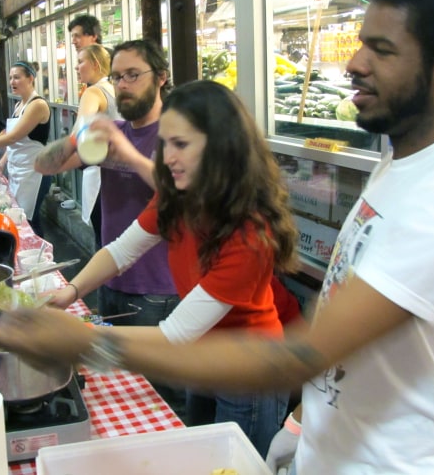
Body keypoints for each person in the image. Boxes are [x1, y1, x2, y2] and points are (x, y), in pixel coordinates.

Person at [0, 0, 434, 473]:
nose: (354, 63)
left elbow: (296, 354)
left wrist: (83, 343)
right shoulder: (400, 169)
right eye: (360, 42)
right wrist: (306, 424)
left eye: (381, 50)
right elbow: (349, 345)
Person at [45, 80, 297, 454]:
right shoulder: (177, 196)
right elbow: (119, 252)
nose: (167, 157)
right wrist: (70, 292)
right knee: (198, 454)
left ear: (221, 147)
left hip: (250, 369)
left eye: (181, 144)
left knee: (235, 461)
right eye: (165, 143)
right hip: (202, 355)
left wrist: (81, 339)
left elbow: (173, 334)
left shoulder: (250, 234)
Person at [35, 39, 178, 326]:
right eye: (116, 77)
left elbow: (180, 192)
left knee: (150, 371)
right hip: (108, 277)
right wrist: (78, 137)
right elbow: (45, 165)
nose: (123, 84)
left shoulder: (177, 131)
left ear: (161, 77)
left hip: (158, 291)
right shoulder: (113, 131)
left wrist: (128, 154)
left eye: (133, 75)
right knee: (112, 371)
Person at [0, 61, 51, 237]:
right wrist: (2, 162)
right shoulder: (18, 105)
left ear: (30, 78)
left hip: (34, 172)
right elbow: (14, 143)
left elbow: (13, 137)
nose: (12, 81)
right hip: (19, 170)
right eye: (11, 77)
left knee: (30, 221)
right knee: (20, 218)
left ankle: (41, 259)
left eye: (17, 77)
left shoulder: (37, 105)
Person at [73, 44, 120, 248]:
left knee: (103, 244)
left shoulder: (93, 92)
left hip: (100, 178)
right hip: (120, 176)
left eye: (80, 62)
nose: (77, 67)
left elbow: (79, 133)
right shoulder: (114, 90)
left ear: (96, 64)